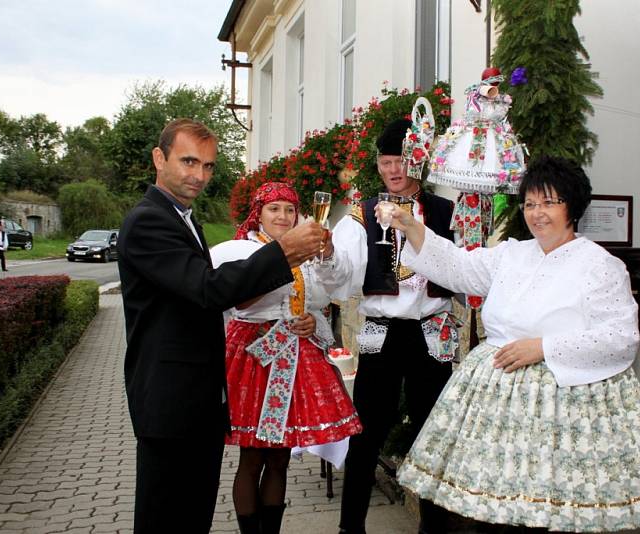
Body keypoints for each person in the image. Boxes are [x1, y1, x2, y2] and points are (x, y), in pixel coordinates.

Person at [388, 156, 640, 532]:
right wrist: (411, 226)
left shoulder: (599, 265)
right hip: (496, 401)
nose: (537, 213)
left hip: (563, 404)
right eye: (530, 204)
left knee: (552, 509)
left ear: (573, 207)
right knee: (491, 506)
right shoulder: (511, 255)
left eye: (549, 202)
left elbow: (620, 338)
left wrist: (544, 347)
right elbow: (457, 268)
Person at [117, 119, 325, 533]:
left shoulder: (182, 217)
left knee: (192, 517)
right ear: (159, 159)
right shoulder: (148, 220)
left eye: (208, 166)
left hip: (195, 403)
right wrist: (283, 253)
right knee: (166, 519)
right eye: (188, 161)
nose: (199, 175)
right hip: (169, 404)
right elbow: (207, 289)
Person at [317, 119, 458, 534]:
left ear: (419, 161)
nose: (393, 170)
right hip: (382, 330)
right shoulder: (360, 216)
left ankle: (434, 528)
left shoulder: (445, 210)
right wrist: (326, 255)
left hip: (432, 331)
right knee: (366, 433)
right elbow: (343, 269)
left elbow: (463, 266)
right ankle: (351, 527)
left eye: (401, 161)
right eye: (385, 162)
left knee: (432, 434)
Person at [210, 182, 362, 534]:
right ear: (258, 214)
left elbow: (322, 294)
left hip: (294, 357)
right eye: (274, 208)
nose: (282, 215)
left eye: (290, 209)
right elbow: (237, 300)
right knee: (251, 456)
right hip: (253, 357)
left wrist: (311, 319)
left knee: (280, 458)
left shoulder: (306, 254)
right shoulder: (239, 249)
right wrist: (281, 256)